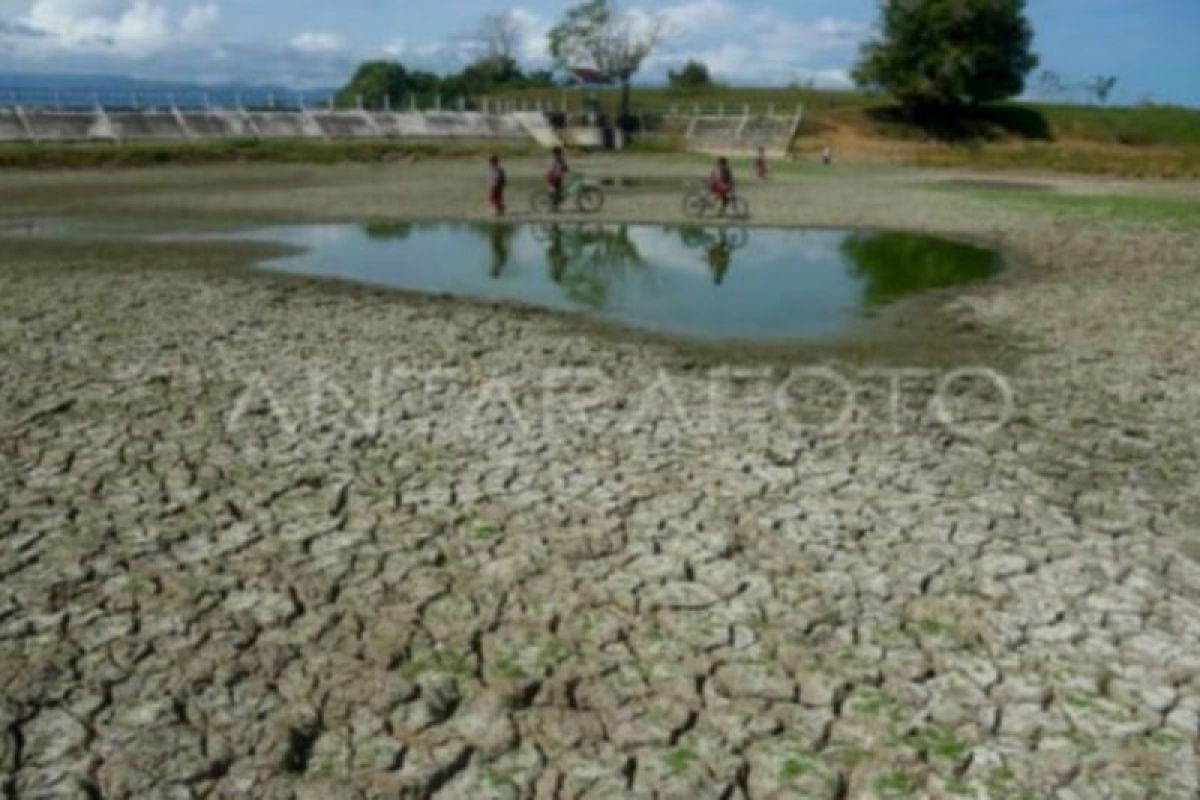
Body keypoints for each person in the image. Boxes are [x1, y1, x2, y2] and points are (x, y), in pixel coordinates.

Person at [547, 147, 570, 211]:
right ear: (558, 153)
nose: (561, 154)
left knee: (559, 191)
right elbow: (564, 167)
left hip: (556, 177)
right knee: (557, 192)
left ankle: (555, 205)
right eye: (560, 152)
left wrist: (566, 169)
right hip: (555, 177)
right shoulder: (557, 159)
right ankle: (554, 206)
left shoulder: (558, 159)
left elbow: (565, 167)